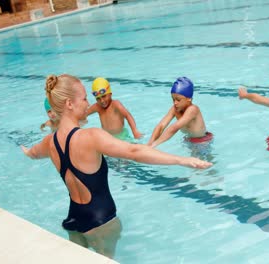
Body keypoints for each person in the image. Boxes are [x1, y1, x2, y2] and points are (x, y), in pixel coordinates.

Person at [21, 74, 212, 259]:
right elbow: (134, 152)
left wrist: (27, 151)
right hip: (101, 221)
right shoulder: (91, 136)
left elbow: (33, 154)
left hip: (74, 218)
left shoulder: (50, 142)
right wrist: (182, 160)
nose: (88, 103)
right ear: (69, 104)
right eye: (85, 98)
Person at [147, 77, 213, 151]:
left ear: (189, 99)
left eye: (178, 100)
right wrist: (149, 143)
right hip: (189, 139)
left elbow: (174, 127)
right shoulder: (175, 109)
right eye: (173, 99)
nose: (175, 103)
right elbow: (161, 126)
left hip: (202, 142)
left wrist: (155, 144)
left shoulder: (193, 109)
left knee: (204, 162)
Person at [87, 77, 142, 142]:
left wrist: (135, 131)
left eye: (104, 96)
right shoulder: (97, 107)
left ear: (110, 94)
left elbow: (127, 115)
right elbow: (84, 113)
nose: (102, 101)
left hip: (122, 136)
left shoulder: (116, 104)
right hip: (107, 138)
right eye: (98, 98)